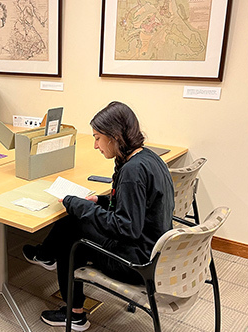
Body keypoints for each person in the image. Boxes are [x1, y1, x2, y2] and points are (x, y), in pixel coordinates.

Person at [22, 101, 174, 331]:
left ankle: (74, 314)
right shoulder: (148, 158)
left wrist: (78, 205)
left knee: (72, 236)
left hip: (137, 261)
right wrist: (98, 201)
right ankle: (46, 255)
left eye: (97, 138)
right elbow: (134, 207)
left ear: (113, 137)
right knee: (76, 219)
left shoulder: (132, 172)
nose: (95, 145)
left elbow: (126, 227)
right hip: (154, 248)